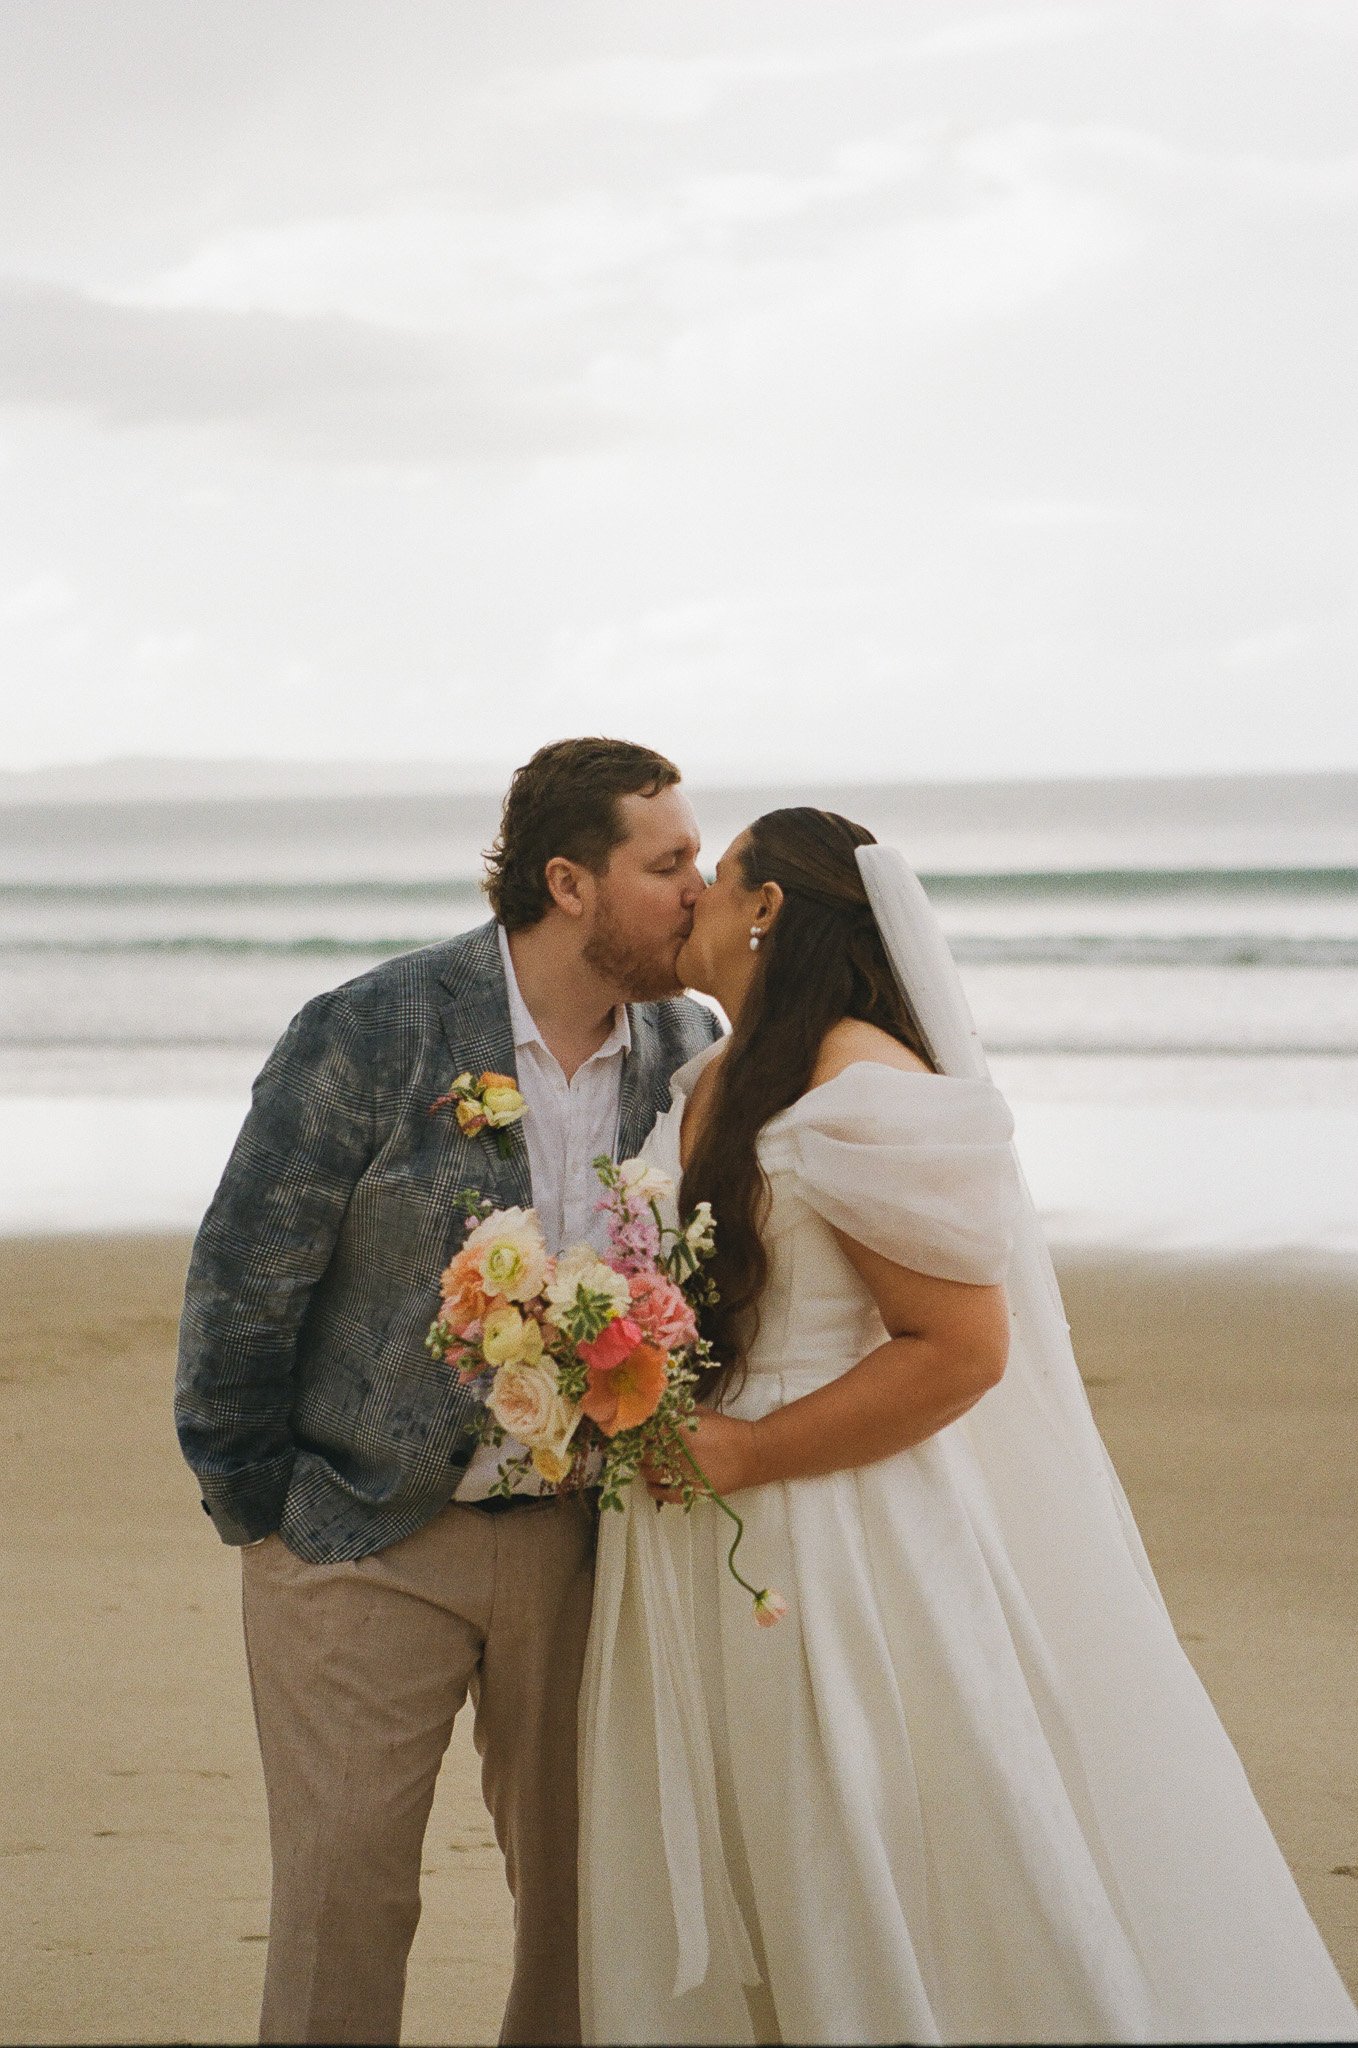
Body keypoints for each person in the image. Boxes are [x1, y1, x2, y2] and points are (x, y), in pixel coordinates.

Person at [577, 806, 1358, 2046]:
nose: (692, 900)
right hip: (709, 1529)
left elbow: (960, 1349)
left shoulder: (863, 1085)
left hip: (838, 1531)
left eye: (713, 875)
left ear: (769, 906)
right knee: (764, 1852)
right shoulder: (713, 1075)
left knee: (862, 1854)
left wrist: (747, 1449)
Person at [174, 737, 721, 2047]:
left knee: (591, 1910)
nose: (696, 888)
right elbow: (245, 1280)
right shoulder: (368, 1031)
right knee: (343, 1905)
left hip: (586, 1552)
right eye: (668, 862)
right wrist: (266, 1508)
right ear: (568, 881)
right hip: (364, 1544)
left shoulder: (687, 1048)